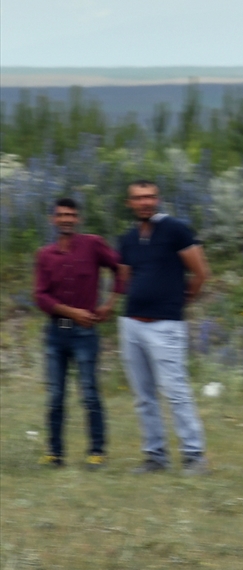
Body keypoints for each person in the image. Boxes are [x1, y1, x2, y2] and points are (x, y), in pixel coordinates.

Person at [117, 180, 211, 475]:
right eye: (139, 198)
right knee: (143, 395)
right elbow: (125, 278)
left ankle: (194, 456)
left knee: (176, 391)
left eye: (150, 197)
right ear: (129, 203)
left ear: (157, 200)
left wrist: (181, 301)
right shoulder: (128, 239)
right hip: (131, 325)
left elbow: (200, 272)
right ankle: (155, 456)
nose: (145, 202)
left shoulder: (174, 229)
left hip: (165, 326)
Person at [33, 197, 122, 468]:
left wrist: (110, 303)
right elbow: (40, 296)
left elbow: (121, 269)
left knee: (90, 393)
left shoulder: (93, 244)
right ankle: (54, 454)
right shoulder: (45, 255)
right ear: (53, 219)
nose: (66, 219)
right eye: (61, 215)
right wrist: (72, 312)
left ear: (78, 218)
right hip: (55, 336)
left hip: (85, 335)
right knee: (56, 396)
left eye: (71, 215)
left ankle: (97, 452)